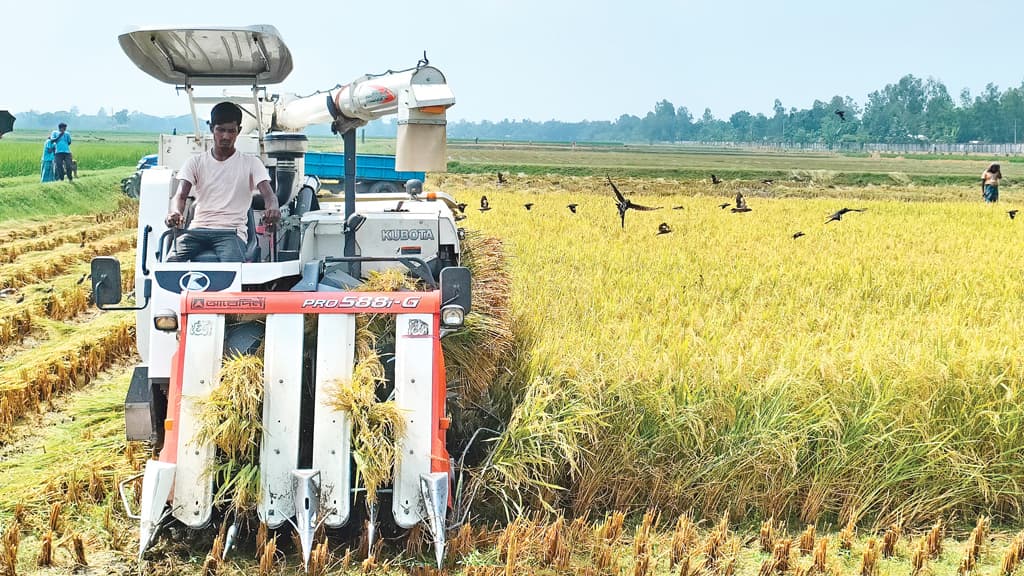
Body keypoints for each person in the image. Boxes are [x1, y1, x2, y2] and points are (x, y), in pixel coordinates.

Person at [165, 102, 281, 262]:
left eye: (231, 131)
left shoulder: (252, 163)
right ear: (212, 128)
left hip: (231, 233)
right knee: (169, 264)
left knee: (231, 272)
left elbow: (269, 195)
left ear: (238, 131)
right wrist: (175, 212)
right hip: (197, 230)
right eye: (220, 130)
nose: (225, 136)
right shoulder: (195, 162)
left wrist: (273, 209)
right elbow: (180, 196)